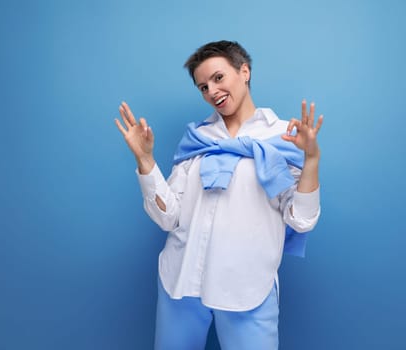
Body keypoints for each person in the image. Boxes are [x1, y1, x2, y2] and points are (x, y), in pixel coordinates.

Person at [115, 40, 323, 350]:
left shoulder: (283, 137)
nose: (211, 91)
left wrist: (311, 160)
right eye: (202, 87)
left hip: (247, 288)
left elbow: (301, 220)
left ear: (244, 71)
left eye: (218, 78)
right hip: (181, 282)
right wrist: (145, 160)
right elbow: (169, 216)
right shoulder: (198, 139)